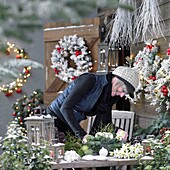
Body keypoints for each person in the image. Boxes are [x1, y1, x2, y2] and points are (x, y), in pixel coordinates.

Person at [43, 66, 139, 142]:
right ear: (116, 81)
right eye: (122, 90)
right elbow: (65, 108)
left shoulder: (108, 97)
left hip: (70, 126)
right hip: (53, 122)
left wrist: (117, 130)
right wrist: (82, 135)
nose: (122, 95)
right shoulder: (89, 80)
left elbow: (104, 122)